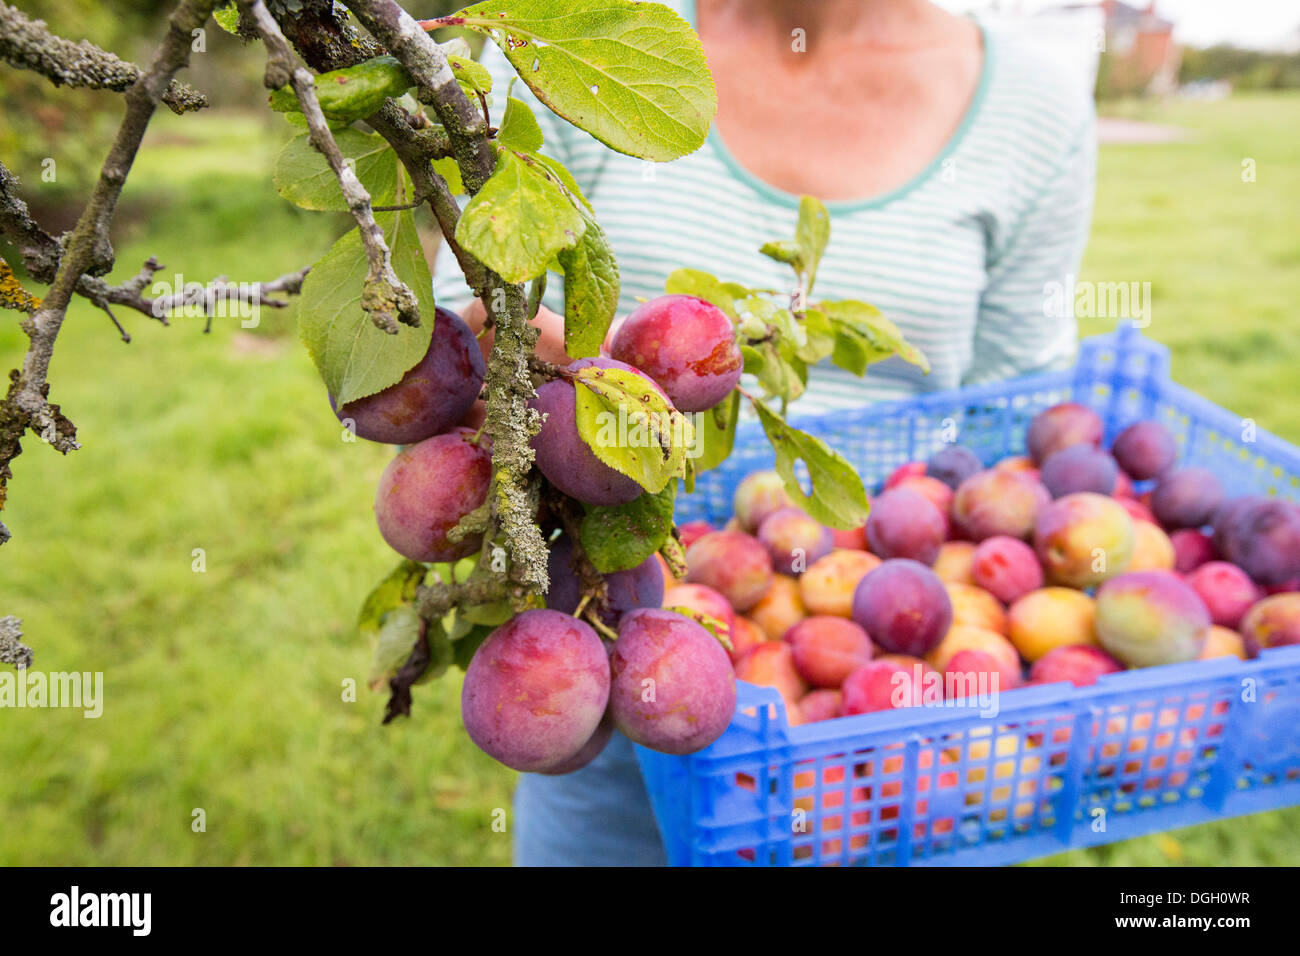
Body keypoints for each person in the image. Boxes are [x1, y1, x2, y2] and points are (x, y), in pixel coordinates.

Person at [432, 0, 1096, 865]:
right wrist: (542, 368)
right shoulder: (579, 36)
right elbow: (460, 331)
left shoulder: (1034, 107)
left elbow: (1016, 419)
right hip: (613, 646)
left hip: (884, 739)